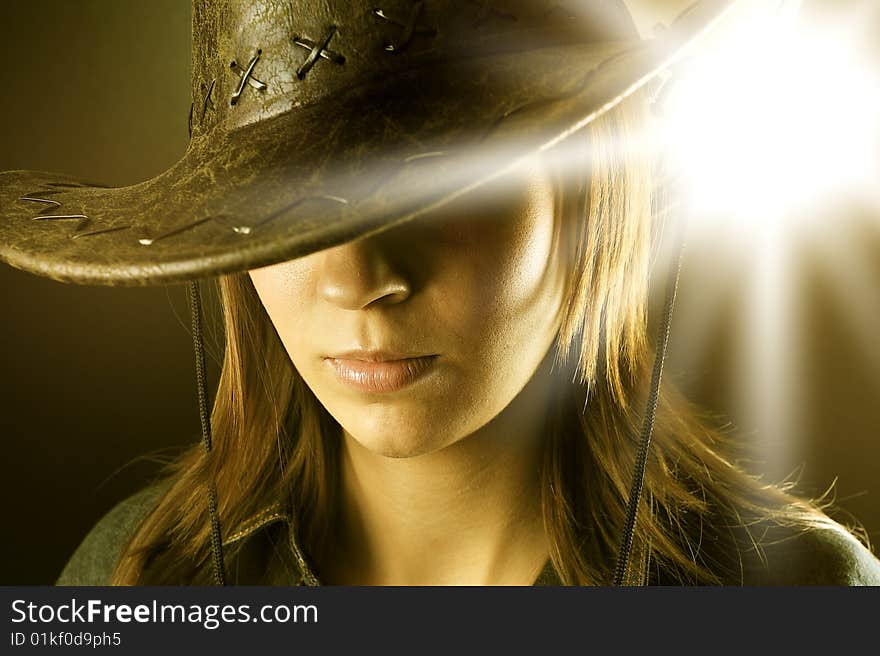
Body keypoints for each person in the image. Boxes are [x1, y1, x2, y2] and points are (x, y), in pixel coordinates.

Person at [4, 0, 880, 586]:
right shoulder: (136, 575)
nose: (360, 279)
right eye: (278, 212)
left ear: (592, 197)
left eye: (442, 190)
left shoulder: (799, 592)